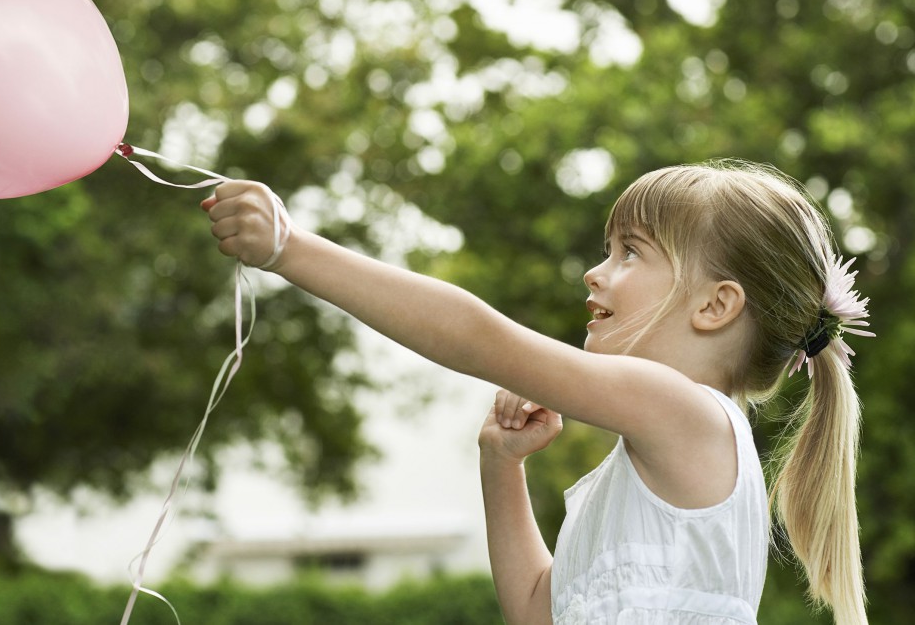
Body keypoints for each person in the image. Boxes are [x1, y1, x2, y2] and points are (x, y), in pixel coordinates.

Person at [200, 160, 872, 624]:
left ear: (716, 304)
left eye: (630, 252)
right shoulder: (655, 463)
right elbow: (535, 607)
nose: (595, 272)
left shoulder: (688, 412)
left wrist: (291, 249)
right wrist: (502, 464)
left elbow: (477, 337)